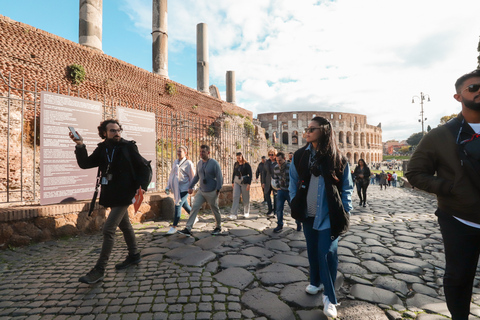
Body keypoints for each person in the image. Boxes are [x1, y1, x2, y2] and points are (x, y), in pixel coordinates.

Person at [406, 69, 480, 320]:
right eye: (473, 88)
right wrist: (449, 188)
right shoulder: (440, 135)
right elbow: (415, 173)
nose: (479, 91)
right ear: (458, 96)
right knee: (459, 277)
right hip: (459, 218)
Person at [69, 119, 150, 284]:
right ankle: (134, 255)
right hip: (111, 194)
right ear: (104, 133)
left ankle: (99, 269)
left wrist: (142, 187)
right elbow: (85, 164)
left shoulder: (128, 147)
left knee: (108, 229)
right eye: (112, 131)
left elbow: (144, 167)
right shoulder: (103, 149)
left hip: (125, 194)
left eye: (118, 130)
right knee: (125, 226)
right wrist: (80, 145)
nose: (117, 133)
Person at [289, 116, 353, 318]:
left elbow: (346, 187)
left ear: (324, 131)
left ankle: (330, 298)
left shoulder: (337, 157)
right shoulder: (300, 156)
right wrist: (294, 202)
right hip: (307, 213)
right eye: (307, 129)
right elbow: (292, 181)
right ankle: (315, 282)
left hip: (329, 214)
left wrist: (346, 210)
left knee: (327, 254)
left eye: (312, 129)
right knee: (313, 249)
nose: (307, 132)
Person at [178, 145, 223, 237]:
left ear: (208, 153)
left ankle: (218, 226)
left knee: (215, 209)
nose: (201, 153)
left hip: (212, 191)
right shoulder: (199, 163)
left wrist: (218, 189)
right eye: (200, 152)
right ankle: (188, 228)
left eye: (203, 152)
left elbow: (219, 177)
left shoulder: (214, 163)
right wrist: (191, 186)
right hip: (201, 191)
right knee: (194, 207)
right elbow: (197, 177)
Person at [165, 146, 195, 234]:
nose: (178, 153)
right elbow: (172, 175)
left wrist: (192, 187)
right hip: (177, 188)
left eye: (180, 151)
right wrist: (168, 186)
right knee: (184, 205)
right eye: (177, 151)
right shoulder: (175, 162)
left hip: (185, 188)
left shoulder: (188, 163)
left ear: (185, 153)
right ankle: (194, 217)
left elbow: (193, 176)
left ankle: (174, 226)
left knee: (178, 204)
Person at [271, 152, 301, 233]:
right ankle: (279, 224)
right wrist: (278, 187)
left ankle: (298, 223)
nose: (278, 162)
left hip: (290, 191)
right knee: (279, 208)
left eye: (280, 160)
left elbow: (295, 178)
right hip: (281, 190)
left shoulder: (291, 167)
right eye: (277, 160)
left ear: (284, 159)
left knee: (294, 208)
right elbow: (276, 178)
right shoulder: (276, 168)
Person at [229, 152, 252, 220]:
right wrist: (232, 182)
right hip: (236, 180)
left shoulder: (247, 165)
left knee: (245, 197)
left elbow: (250, 175)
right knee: (235, 196)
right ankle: (233, 214)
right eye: (237, 158)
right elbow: (233, 173)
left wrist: (249, 184)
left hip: (244, 181)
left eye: (239, 157)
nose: (238, 159)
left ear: (242, 157)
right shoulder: (236, 164)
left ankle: (246, 212)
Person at [262, 149, 277, 217]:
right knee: (267, 195)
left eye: (272, 154)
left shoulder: (277, 162)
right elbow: (263, 172)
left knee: (276, 196)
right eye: (269, 154)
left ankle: (276, 210)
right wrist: (263, 182)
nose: (270, 156)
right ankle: (270, 209)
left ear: (275, 155)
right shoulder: (267, 162)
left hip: (275, 181)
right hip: (268, 181)